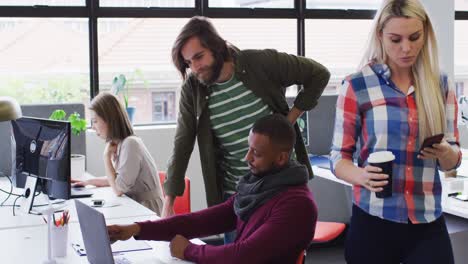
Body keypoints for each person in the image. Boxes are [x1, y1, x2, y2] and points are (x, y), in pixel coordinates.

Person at [162, 16, 330, 226]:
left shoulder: (259, 63)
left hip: (281, 188)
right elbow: (182, 143)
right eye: (188, 62)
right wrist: (169, 201)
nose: (195, 67)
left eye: (199, 57)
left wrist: (289, 121)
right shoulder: (193, 89)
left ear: (217, 47)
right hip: (238, 194)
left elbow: (319, 74)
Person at [330, 0, 461, 263]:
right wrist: (361, 175)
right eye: (395, 39)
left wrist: (446, 151)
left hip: (427, 220)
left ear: (425, 33)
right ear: (380, 35)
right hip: (374, 220)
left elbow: (454, 159)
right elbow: (338, 158)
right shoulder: (357, 85)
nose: (406, 48)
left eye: (414, 37)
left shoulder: (441, 83)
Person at [107, 114, 317, 263]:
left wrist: (189, 250)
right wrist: (137, 229)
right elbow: (203, 220)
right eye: (248, 149)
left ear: (281, 158)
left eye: (257, 153)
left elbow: (243, 255)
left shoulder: (297, 204)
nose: (247, 158)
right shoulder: (258, 187)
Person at [72, 92, 164, 215]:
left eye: (95, 121)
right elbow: (118, 179)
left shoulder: (130, 144)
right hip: (137, 206)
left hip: (149, 211)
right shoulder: (122, 143)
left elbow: (118, 188)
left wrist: (106, 157)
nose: (93, 127)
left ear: (109, 120)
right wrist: (89, 182)